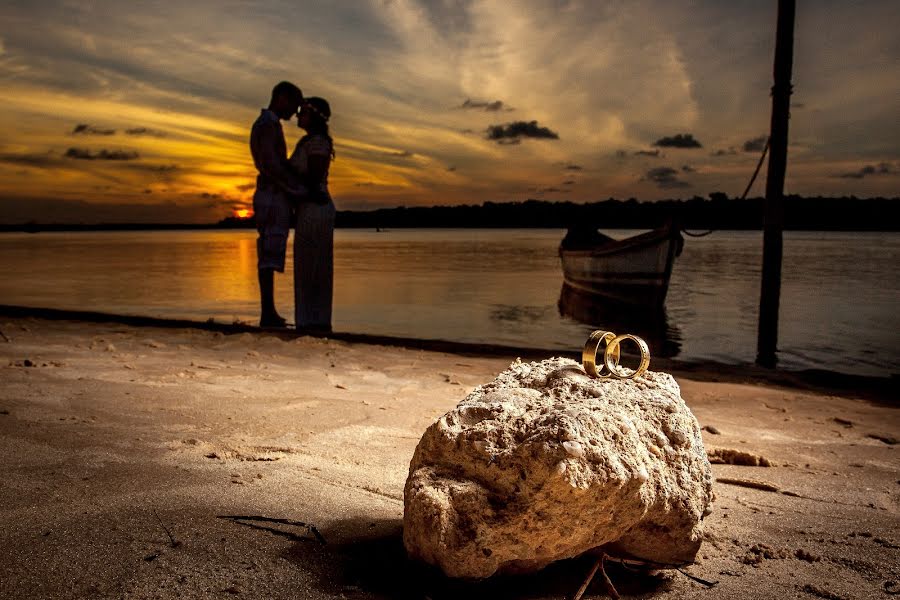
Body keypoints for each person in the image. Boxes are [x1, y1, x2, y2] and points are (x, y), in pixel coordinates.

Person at [249, 81, 304, 327]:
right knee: (269, 253)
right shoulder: (268, 125)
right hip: (271, 196)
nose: (294, 114)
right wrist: (297, 190)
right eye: (294, 105)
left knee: (269, 252)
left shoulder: (267, 124)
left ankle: (268, 311)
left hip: (271, 194)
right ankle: (267, 312)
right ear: (282, 98)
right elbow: (272, 166)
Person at [289, 97, 335, 332]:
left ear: (314, 116)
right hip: (307, 207)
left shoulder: (317, 141)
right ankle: (309, 320)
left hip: (315, 208)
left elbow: (315, 176)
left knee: (315, 265)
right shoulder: (309, 141)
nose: (298, 115)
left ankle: (315, 321)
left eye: (303, 112)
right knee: (308, 265)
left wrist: (286, 177)